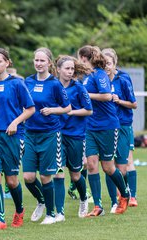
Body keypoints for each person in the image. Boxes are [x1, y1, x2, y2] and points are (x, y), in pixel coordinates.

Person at [0, 48, 35, 230]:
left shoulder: (17, 84)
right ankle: (0, 220)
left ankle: (19, 210)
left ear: (7, 63)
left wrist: (15, 122)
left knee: (11, 181)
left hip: (12, 136)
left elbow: (30, 109)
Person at [78, 45, 129, 216]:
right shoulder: (86, 76)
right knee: (91, 165)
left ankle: (125, 194)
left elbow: (106, 95)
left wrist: (86, 94)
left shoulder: (100, 74)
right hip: (90, 127)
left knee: (107, 167)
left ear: (87, 58)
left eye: (81, 59)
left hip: (107, 126)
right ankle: (98, 206)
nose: (80, 62)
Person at [23, 47, 71, 225]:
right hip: (30, 133)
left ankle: (51, 214)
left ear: (49, 63)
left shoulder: (55, 84)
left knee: (45, 176)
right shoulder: (27, 82)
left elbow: (67, 108)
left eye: (42, 60)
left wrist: (52, 110)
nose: (38, 63)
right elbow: (24, 105)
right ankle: (42, 200)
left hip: (50, 134)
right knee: (28, 177)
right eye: (36, 60)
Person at [55, 55, 93, 220]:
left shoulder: (78, 88)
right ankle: (59, 212)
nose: (70, 72)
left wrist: (69, 111)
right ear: (58, 70)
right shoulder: (53, 86)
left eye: (72, 69)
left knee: (76, 175)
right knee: (58, 172)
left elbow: (89, 110)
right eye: (67, 68)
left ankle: (84, 199)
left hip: (76, 135)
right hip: (57, 134)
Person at [102, 48, 137, 211]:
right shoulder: (99, 79)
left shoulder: (123, 79)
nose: (106, 66)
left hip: (123, 125)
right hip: (106, 126)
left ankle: (128, 194)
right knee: (108, 165)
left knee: (123, 166)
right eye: (103, 63)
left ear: (115, 63)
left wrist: (119, 100)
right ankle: (113, 201)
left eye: (108, 63)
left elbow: (134, 104)